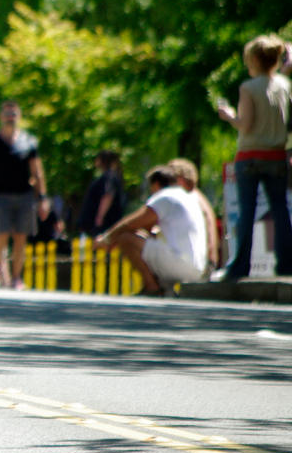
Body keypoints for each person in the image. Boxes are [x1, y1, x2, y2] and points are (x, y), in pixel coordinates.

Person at [214, 34, 292, 280]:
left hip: (250, 155)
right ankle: (286, 264)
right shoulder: (284, 85)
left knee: (247, 211)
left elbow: (245, 125)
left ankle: (239, 267)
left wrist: (228, 115)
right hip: (277, 155)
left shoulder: (248, 88)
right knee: (280, 210)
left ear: (255, 60)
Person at [95, 166, 208, 295]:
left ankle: (151, 287)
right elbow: (148, 228)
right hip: (197, 267)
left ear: (155, 184)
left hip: (181, 265)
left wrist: (107, 238)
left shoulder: (164, 197)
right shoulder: (187, 197)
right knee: (148, 238)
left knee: (125, 238)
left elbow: (131, 223)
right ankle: (164, 287)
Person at [0, 100, 47, 291]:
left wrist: (42, 198)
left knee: (20, 238)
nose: (10, 117)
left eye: (13, 114)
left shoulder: (28, 142)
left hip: (25, 195)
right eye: (7, 114)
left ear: (18, 116)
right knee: (1, 235)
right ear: (1, 117)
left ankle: (16, 278)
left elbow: (37, 172)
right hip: (1, 195)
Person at [166, 157, 220, 273]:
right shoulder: (197, 197)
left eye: (171, 179)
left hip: (201, 262)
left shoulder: (193, 198)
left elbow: (209, 227)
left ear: (181, 178)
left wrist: (210, 256)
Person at [76, 149, 125, 237]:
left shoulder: (109, 177)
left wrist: (100, 217)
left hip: (104, 223)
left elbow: (108, 195)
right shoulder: (109, 176)